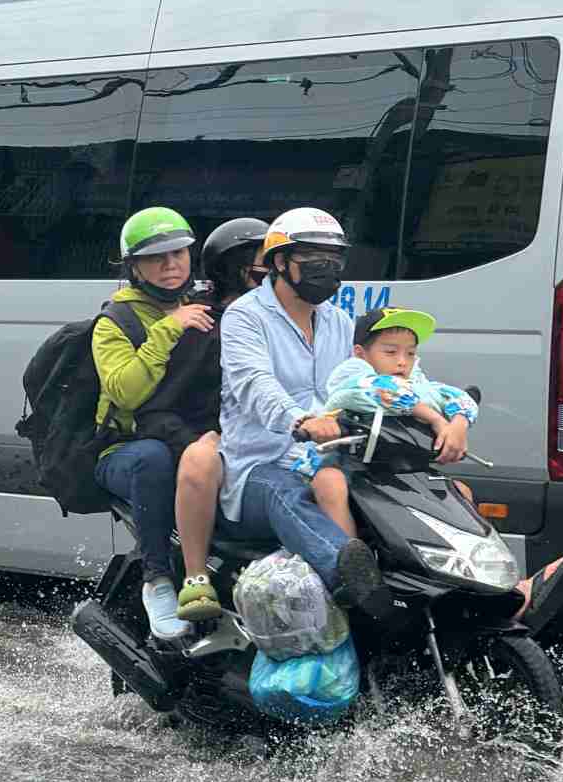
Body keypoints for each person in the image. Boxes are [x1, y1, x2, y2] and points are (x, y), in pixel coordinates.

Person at [289, 306, 563, 632]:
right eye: (391, 351)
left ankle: (499, 585)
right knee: (329, 483)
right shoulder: (350, 374)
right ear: (361, 352)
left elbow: (457, 397)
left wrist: (457, 424)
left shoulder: (418, 382)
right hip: (349, 467)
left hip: (399, 473)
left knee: (460, 492)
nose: (402, 361)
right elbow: (382, 392)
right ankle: (353, 572)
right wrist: (436, 418)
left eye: (410, 353)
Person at [216, 207, 396, 622]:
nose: (327, 270)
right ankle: (356, 584)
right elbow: (253, 382)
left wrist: (442, 414)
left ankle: (496, 587)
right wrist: (299, 419)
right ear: (280, 262)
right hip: (261, 465)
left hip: (333, 460)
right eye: (315, 258)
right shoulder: (246, 317)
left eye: (334, 261)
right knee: (286, 491)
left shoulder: (338, 322)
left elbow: (377, 375)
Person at [91, 207, 213, 640]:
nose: (170, 264)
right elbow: (126, 392)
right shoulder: (115, 322)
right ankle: (157, 581)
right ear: (133, 267)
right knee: (152, 458)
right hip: (127, 450)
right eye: (156, 257)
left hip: (187, 439)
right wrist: (168, 329)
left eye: (178, 253)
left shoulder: (204, 305)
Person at [147, 217, 268, 621]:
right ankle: (193, 580)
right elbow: (158, 409)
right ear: (234, 269)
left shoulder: (291, 323)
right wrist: (204, 440)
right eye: (263, 263)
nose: (275, 272)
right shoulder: (205, 327)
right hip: (218, 452)